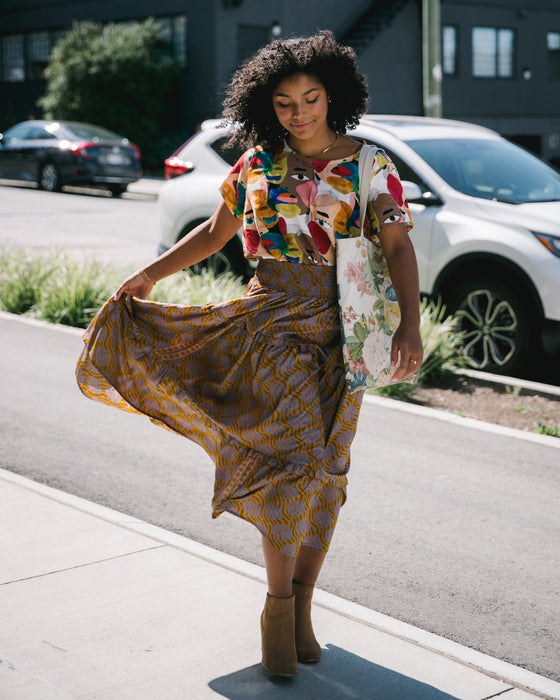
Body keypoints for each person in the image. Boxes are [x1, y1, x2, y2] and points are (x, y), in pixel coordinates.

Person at [76, 30, 423, 677]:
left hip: (346, 336)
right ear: (268, 106)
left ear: (333, 96)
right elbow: (215, 232)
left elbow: (399, 248)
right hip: (272, 327)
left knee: (329, 474)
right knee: (294, 463)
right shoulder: (258, 166)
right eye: (286, 103)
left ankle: (303, 609)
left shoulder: (369, 166)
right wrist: (150, 276)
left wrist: (410, 323)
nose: (300, 113)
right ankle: (275, 612)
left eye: (311, 98)